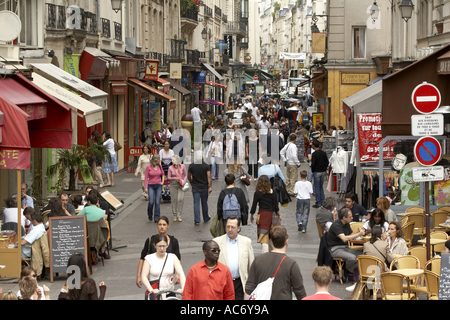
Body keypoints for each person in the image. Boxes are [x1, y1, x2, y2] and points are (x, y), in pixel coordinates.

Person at [244, 226, 307, 300]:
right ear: (286, 241)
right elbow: (300, 293)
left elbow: (249, 289)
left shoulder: (258, 260)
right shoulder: (291, 264)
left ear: (272, 241)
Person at [212, 216, 254, 300]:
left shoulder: (246, 242)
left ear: (239, 228)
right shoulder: (217, 242)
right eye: (228, 227)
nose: (230, 229)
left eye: (233, 227)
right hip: (222, 283)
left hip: (239, 283)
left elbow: (251, 266)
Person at [136, 216, 181, 290]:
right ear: (157, 226)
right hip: (154, 277)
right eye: (160, 224)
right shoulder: (150, 240)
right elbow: (142, 258)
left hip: (168, 277)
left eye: (164, 225)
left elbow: (178, 258)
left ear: (168, 226)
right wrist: (138, 276)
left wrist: (178, 274)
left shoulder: (173, 241)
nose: (162, 227)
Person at [327, 208, 365, 289]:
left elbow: (351, 235)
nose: (352, 218)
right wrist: (358, 234)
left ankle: (356, 274)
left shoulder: (346, 224)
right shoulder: (336, 225)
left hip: (345, 247)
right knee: (352, 257)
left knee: (362, 255)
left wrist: (358, 232)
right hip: (335, 249)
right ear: (344, 218)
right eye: (350, 217)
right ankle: (347, 271)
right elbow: (344, 238)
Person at [141, 234, 185, 300]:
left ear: (167, 245)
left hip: (169, 292)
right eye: (159, 246)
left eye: (164, 246)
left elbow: (181, 273)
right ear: (155, 245)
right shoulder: (149, 258)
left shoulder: (172, 257)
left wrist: (183, 288)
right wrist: (151, 290)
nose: (162, 249)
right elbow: (144, 276)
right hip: (155, 293)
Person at [250, 175, 280, 253]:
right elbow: (276, 206)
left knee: (263, 237)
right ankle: (272, 253)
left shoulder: (257, 193)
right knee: (271, 237)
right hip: (271, 215)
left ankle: (265, 255)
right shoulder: (273, 192)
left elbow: (254, 206)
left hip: (262, 216)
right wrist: (279, 215)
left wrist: (252, 215)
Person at [188, 151, 212, 226]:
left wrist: (191, 181)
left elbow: (189, 176)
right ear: (202, 157)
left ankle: (197, 219)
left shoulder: (191, 165)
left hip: (195, 186)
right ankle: (205, 217)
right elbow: (209, 177)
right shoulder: (206, 165)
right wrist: (210, 186)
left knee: (196, 203)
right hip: (204, 186)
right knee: (204, 203)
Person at [144, 154, 165, 222]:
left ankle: (156, 217)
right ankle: (150, 214)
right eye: (159, 159)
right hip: (151, 185)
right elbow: (146, 177)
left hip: (158, 185)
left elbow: (162, 174)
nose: (160, 160)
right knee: (151, 202)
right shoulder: (148, 167)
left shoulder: (159, 166)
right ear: (156, 160)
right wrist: (145, 187)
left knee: (157, 202)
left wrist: (162, 182)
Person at [167, 155, 187, 222]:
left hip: (181, 184)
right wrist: (174, 178)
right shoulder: (170, 168)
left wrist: (184, 182)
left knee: (180, 199)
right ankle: (175, 215)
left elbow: (186, 175)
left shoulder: (182, 166)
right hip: (173, 184)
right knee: (174, 200)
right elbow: (168, 177)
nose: (172, 162)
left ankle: (179, 215)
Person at [311, 139, 329, 208]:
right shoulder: (323, 153)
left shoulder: (314, 154)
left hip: (316, 171)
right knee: (321, 186)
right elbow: (327, 162)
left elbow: (313, 164)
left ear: (314, 145)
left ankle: (318, 202)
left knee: (317, 187)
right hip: (322, 171)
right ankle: (322, 201)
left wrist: (313, 170)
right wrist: (324, 168)